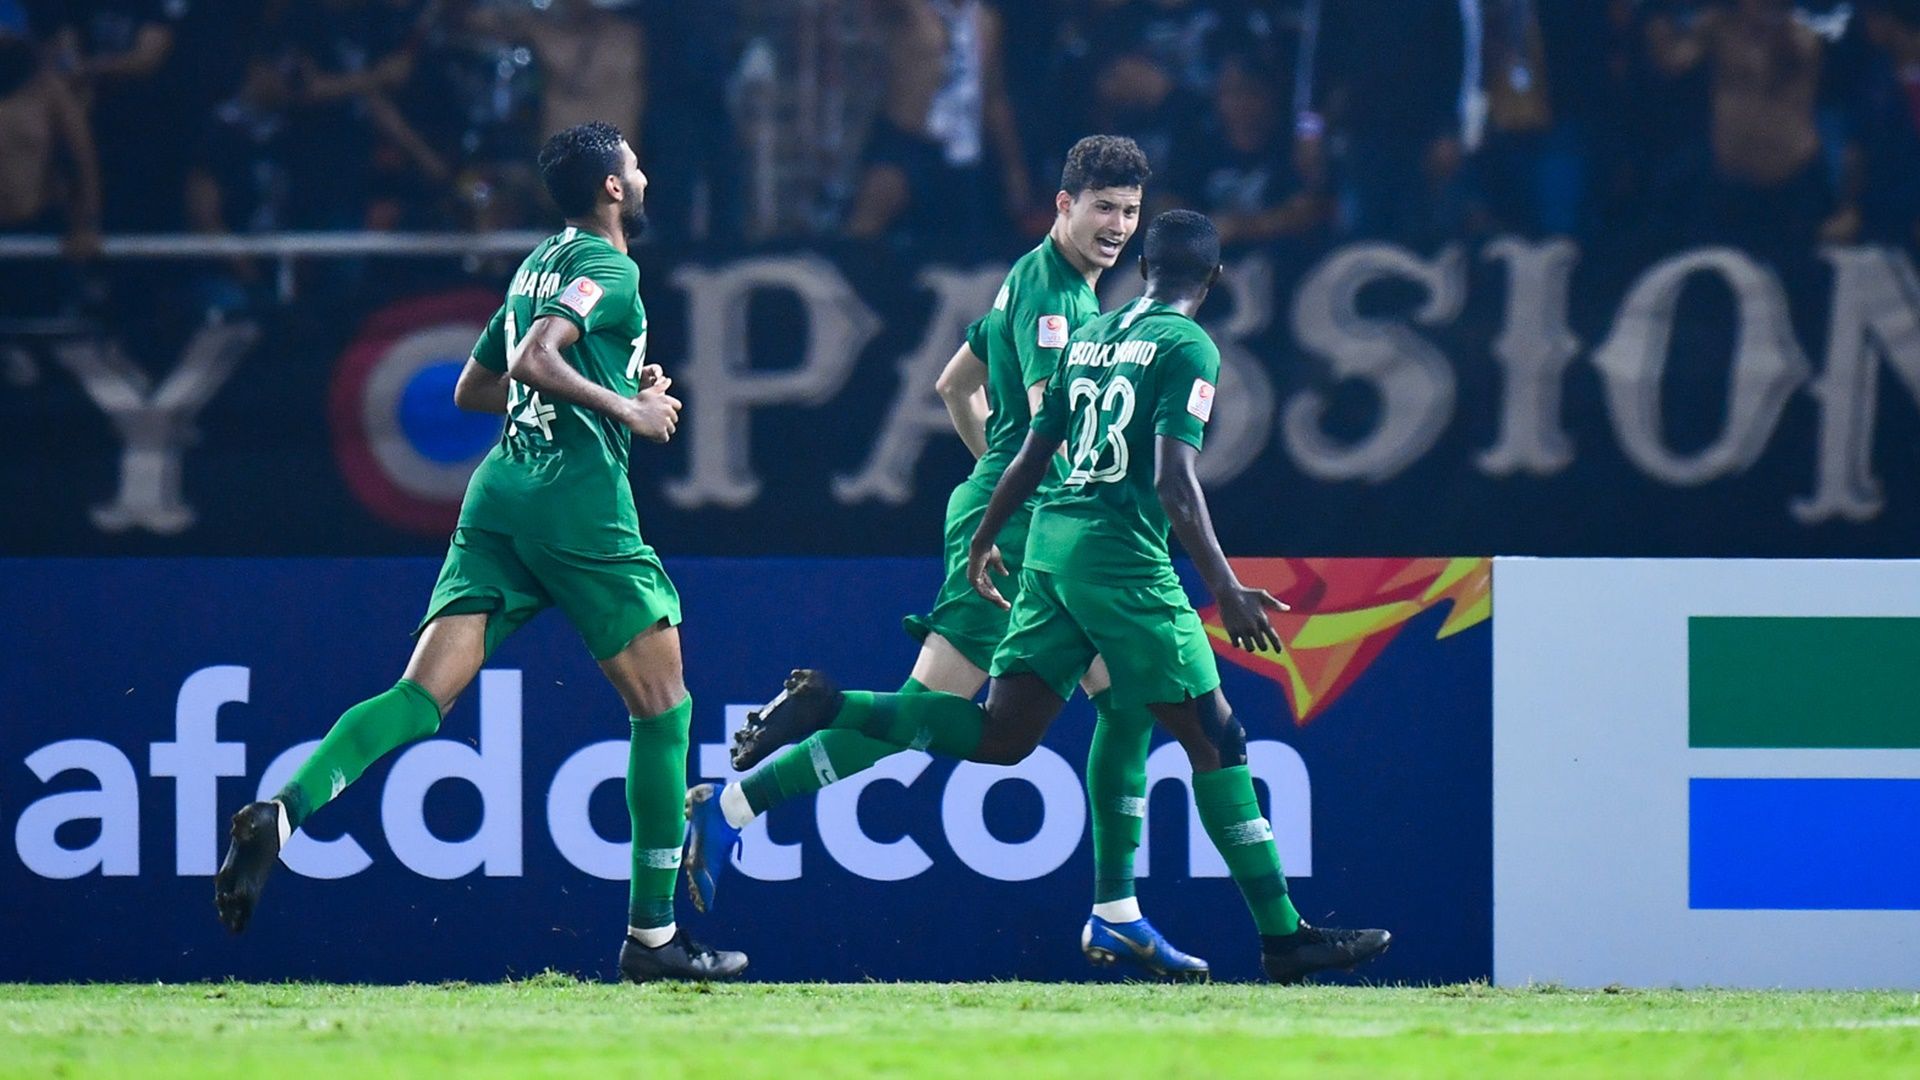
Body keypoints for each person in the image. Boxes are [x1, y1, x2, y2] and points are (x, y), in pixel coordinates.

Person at [729, 210, 1391, 983]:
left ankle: (834, 706)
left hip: (1046, 553)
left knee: (1006, 736)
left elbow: (1035, 446)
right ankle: (1284, 938)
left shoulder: (1094, 335)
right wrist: (1226, 587)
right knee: (1219, 739)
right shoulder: (1190, 347)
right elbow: (1176, 482)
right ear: (1213, 280)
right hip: (1123, 568)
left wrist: (987, 536)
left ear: (1143, 267)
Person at [213, 121, 747, 984]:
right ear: (613, 187)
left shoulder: (538, 264)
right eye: (635, 167)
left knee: (419, 697)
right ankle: (652, 939)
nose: (643, 177)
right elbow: (536, 360)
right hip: (575, 506)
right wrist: (630, 414)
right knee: (665, 708)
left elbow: (475, 388)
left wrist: (614, 386)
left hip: (500, 495)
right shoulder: (610, 268)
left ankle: (283, 812)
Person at [684, 135, 1209, 980]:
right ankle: (743, 795)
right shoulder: (1062, 309)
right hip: (1032, 535)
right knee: (943, 714)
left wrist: (989, 480)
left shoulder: (1033, 274)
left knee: (1117, 705)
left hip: (1014, 517)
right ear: (1063, 206)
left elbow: (953, 386)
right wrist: (1022, 507)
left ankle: (1117, 911)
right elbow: (1059, 427)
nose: (1116, 227)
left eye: (1129, 212)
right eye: (1102, 208)